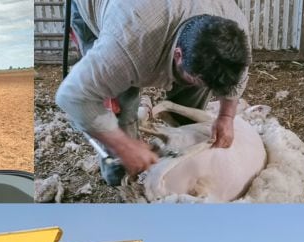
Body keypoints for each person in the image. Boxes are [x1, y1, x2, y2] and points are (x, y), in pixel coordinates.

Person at [56, 0, 251, 185]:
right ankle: (120, 177)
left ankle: (182, 141)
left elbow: (237, 75)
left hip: (160, 24)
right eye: (197, 79)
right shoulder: (125, 45)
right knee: (119, 111)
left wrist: (226, 116)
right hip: (118, 18)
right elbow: (73, 96)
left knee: (195, 90)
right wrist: (124, 145)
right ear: (178, 55)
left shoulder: (234, 30)